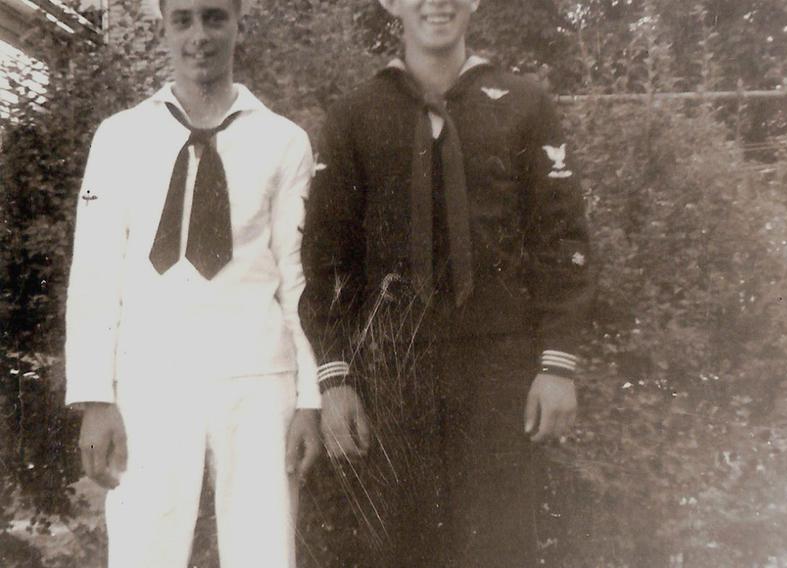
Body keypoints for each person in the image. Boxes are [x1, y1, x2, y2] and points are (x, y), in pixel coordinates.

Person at [299, 1, 593, 566]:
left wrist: (557, 366)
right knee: (402, 550)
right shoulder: (356, 115)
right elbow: (326, 257)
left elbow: (563, 240)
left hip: (498, 372)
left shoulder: (525, 105)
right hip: (392, 376)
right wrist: (335, 379)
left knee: (500, 548)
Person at [65, 0, 321, 566]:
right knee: (142, 553)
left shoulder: (284, 142)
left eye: (214, 17)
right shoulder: (120, 137)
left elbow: (299, 277)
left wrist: (308, 398)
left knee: (264, 553)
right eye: (183, 19)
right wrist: (95, 398)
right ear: (164, 27)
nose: (199, 35)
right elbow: (95, 272)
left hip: (259, 381)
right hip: (151, 380)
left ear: (238, 24)